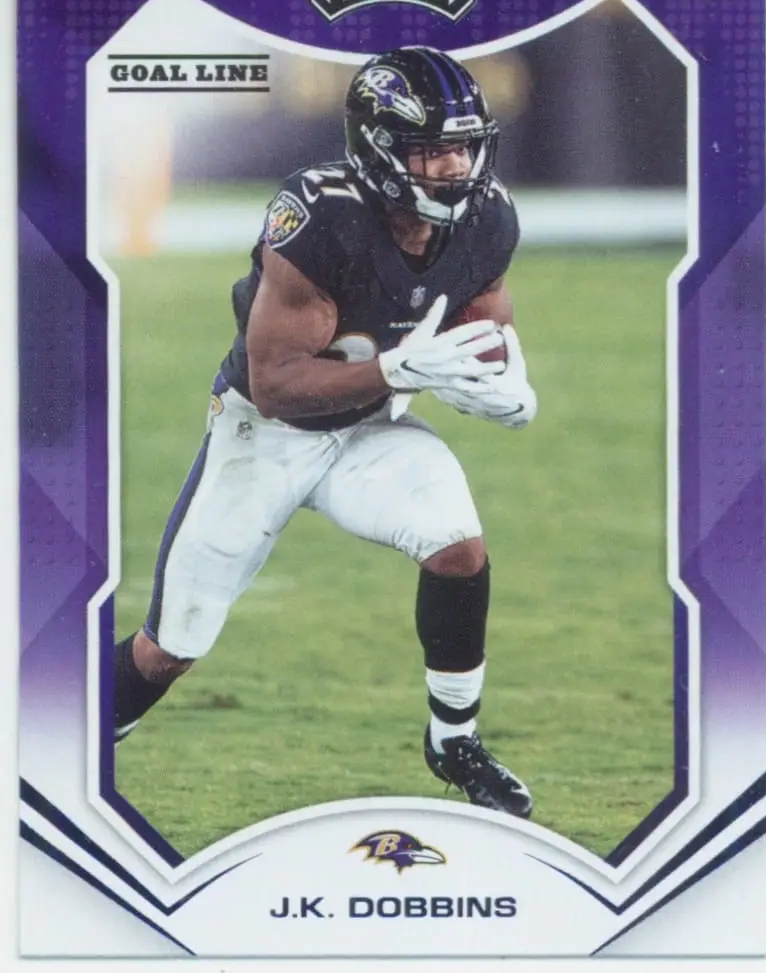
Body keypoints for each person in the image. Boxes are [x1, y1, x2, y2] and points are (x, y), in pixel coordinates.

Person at [113, 45, 538, 819]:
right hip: (263, 435)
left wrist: (502, 384)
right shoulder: (320, 216)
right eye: (429, 148)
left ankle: (454, 740)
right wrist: (399, 370)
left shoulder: (487, 218)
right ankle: (59, 742)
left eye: (462, 145)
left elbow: (485, 331)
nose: (453, 165)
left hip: (370, 428)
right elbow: (278, 386)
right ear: (378, 149)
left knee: (457, 547)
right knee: (170, 645)